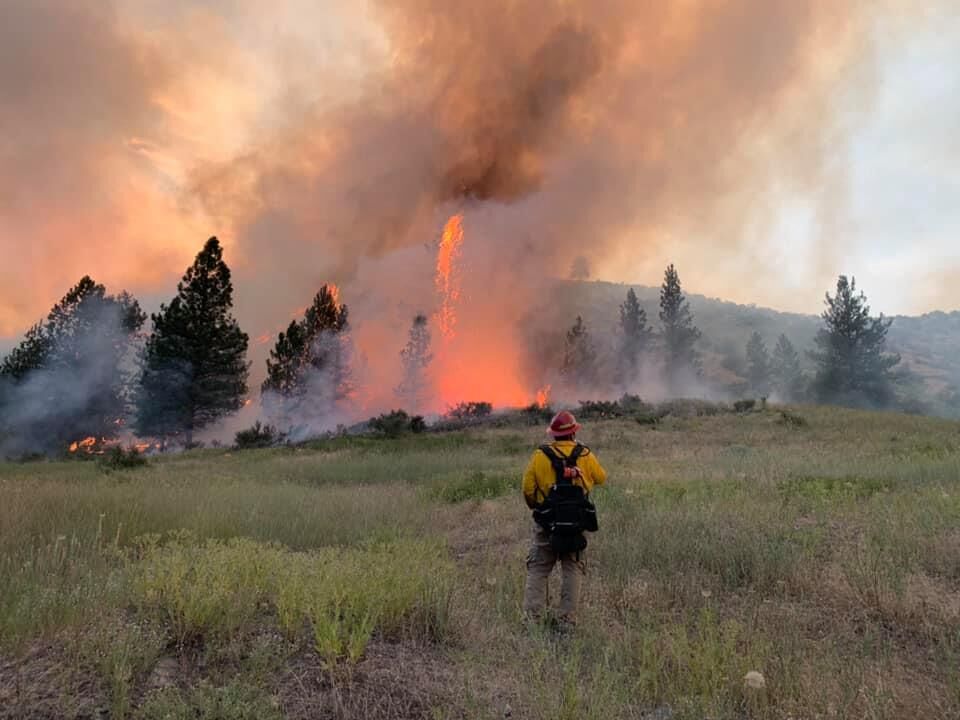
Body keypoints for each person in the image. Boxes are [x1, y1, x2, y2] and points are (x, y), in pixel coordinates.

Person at [521, 409, 607, 627]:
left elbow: (528, 489)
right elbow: (601, 478)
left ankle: (532, 621)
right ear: (573, 433)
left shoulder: (540, 455)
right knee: (572, 568)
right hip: (577, 523)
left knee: (539, 568)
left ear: (553, 434)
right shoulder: (585, 454)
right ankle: (566, 622)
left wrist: (538, 507)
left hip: (546, 522)